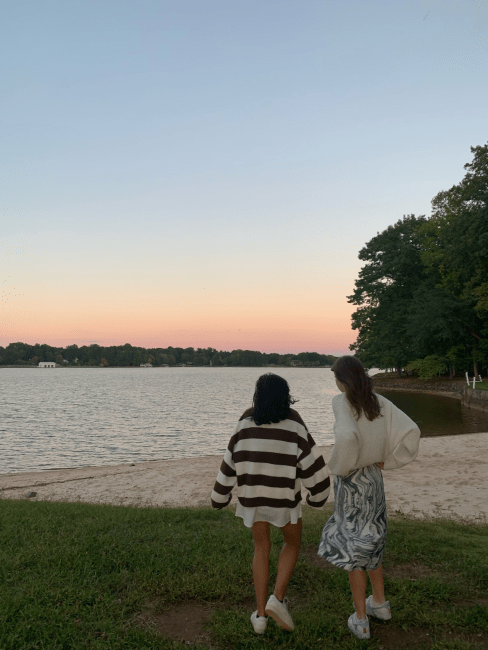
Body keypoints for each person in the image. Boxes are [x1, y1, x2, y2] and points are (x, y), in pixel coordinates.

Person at [211, 373, 331, 635]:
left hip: (254, 502)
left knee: (261, 548)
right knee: (292, 543)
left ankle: (261, 616)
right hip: (285, 503)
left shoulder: (244, 425)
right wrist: (317, 497)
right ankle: (277, 598)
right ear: (285, 396)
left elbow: (229, 462)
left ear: (257, 396)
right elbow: (314, 469)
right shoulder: (295, 425)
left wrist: (219, 498)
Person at [318, 356, 420, 640]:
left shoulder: (342, 402)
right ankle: (380, 603)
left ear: (343, 379)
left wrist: (338, 467)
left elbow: (348, 438)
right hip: (374, 479)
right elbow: (412, 431)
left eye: (336, 378)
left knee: (354, 547)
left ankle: (361, 619)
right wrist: (392, 460)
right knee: (372, 537)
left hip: (352, 481)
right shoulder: (379, 402)